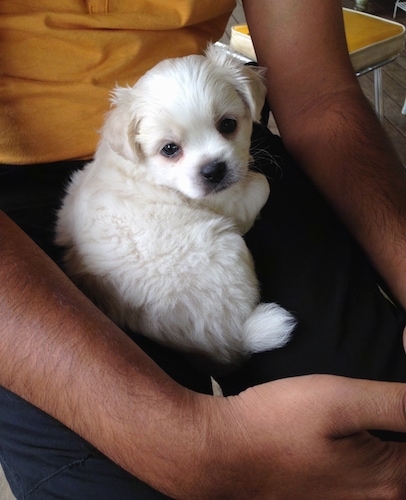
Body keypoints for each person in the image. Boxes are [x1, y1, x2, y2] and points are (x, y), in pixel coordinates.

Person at [1, 0, 406, 498]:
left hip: (207, 167)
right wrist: (190, 442)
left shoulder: (218, 111)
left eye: (227, 127)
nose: (208, 159)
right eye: (173, 148)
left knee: (379, 430)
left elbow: (318, 94)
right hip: (16, 197)